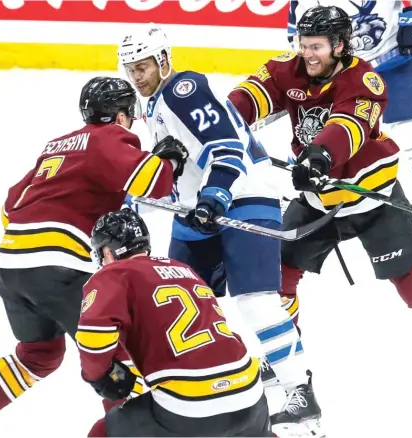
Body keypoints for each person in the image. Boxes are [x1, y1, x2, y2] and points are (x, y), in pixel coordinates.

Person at [228, 5, 412, 405]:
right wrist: (218, 124)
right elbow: (250, 96)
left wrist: (318, 157)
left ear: (340, 46)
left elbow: (348, 128)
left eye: (317, 46)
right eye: (303, 45)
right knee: (277, 275)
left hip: (370, 198)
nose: (308, 54)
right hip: (317, 199)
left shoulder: (365, 80)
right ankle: (283, 355)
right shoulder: (288, 70)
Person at [118, 24, 323, 436]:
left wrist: (216, 196)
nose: (136, 76)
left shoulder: (184, 90)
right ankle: (187, 387)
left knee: (255, 299)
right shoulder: (154, 105)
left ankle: (300, 394)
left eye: (142, 66)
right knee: (171, 300)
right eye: (130, 69)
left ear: (162, 61)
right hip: (198, 211)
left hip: (243, 196)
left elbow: (226, 147)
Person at [0, 76, 188, 437]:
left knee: (38, 354)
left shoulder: (56, 145)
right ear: (121, 115)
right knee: (117, 352)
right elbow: (150, 182)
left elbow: (9, 207)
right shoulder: (110, 137)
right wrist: (168, 158)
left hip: (11, 262)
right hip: (59, 265)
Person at [78, 209, 271, 437]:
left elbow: (93, 334)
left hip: (189, 404)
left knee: (102, 433)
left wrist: (98, 375)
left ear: (109, 251)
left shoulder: (114, 274)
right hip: (250, 393)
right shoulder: (184, 269)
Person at [287, 0, 412, 247]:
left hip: (393, 62)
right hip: (344, 73)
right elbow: (300, 35)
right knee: (318, 136)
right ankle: (305, 203)